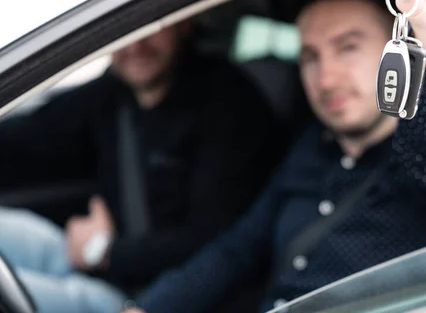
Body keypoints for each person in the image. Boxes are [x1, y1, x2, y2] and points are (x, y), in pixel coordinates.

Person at [126, 0, 426, 312]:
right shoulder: (311, 147)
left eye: (347, 47)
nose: (326, 78)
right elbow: (237, 250)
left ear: (397, 50)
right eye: (310, 56)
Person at [0, 21, 284, 313]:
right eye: (122, 32)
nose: (135, 45)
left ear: (183, 24)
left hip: (143, 297)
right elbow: (36, 133)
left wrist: (105, 251)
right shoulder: (113, 92)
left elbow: (218, 245)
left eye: (152, 26)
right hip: (94, 256)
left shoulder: (229, 104)